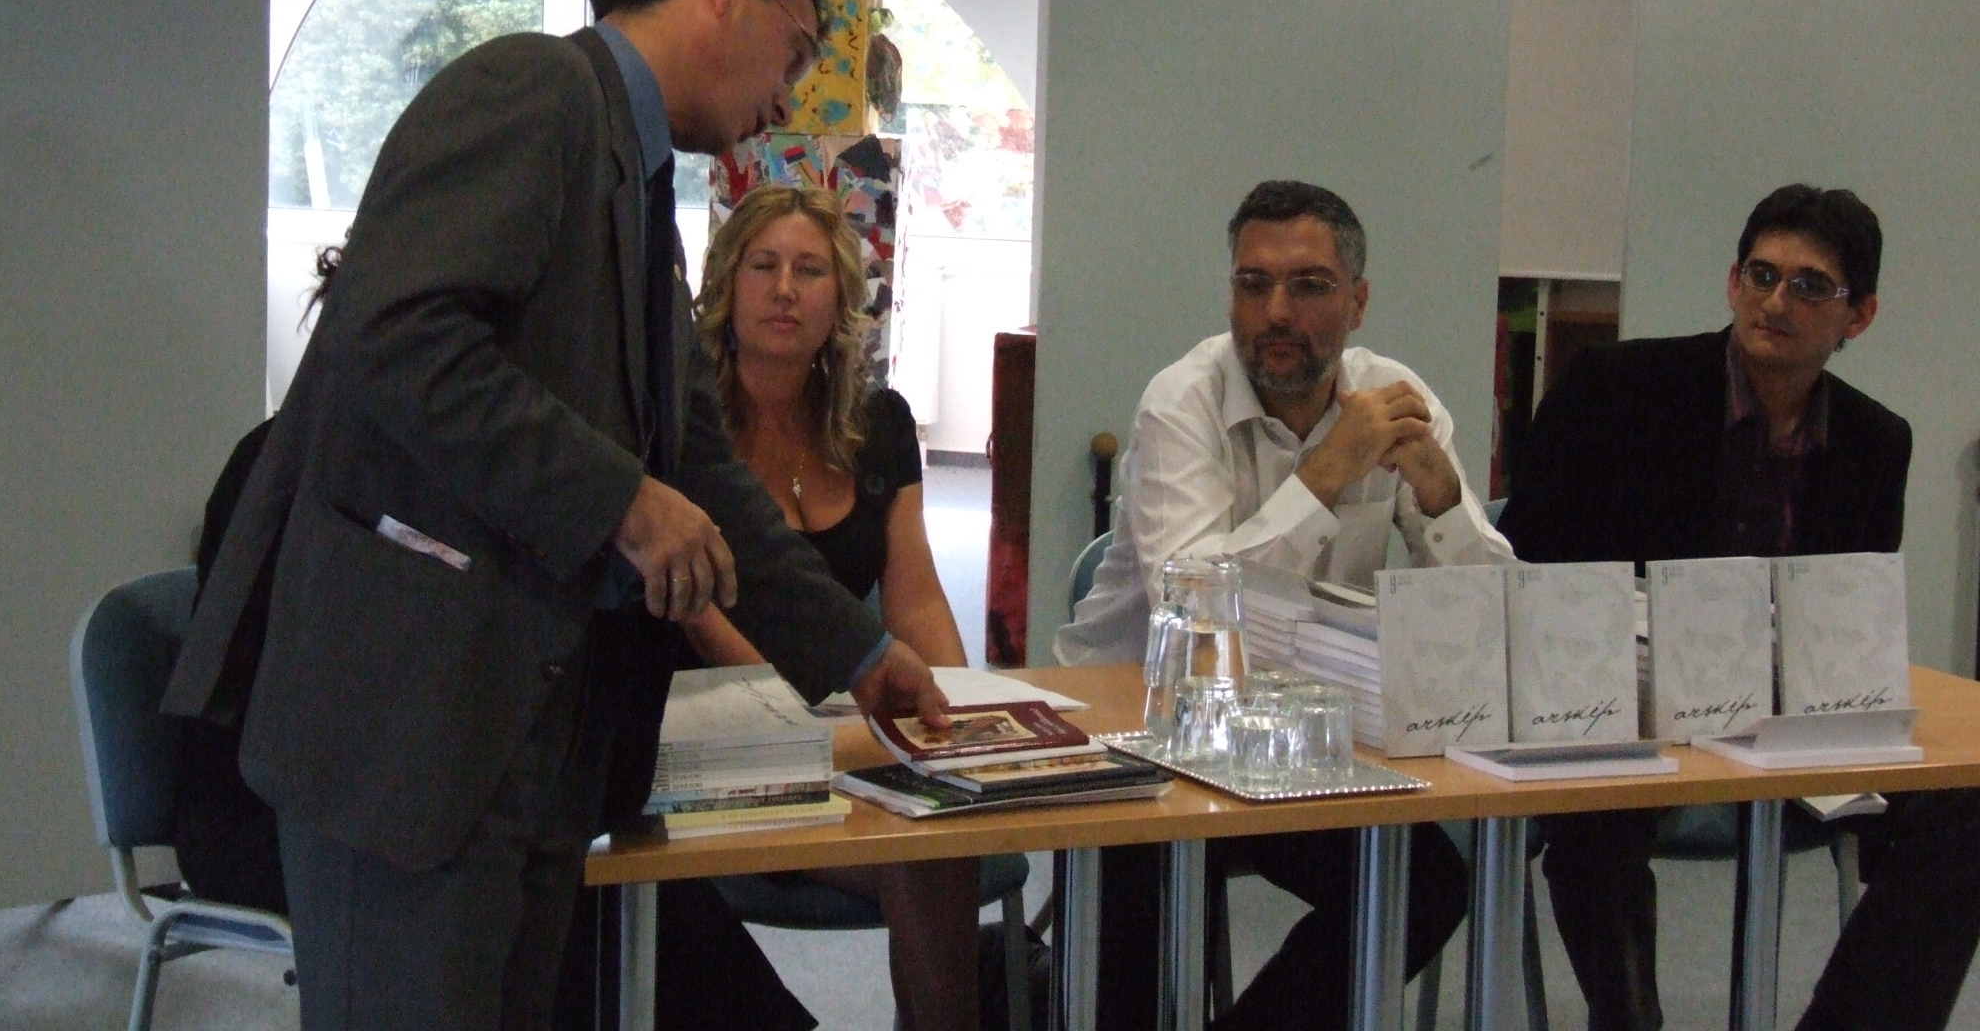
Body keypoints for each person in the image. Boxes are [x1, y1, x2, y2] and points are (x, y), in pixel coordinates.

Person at [162, 0, 947, 1031]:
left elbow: (699, 471)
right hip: (415, 732)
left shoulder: (633, 180)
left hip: (537, 744)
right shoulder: (530, 90)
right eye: (790, 50)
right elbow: (399, 333)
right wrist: (621, 501)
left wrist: (860, 653)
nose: (786, 96)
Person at [1502, 183, 1980, 1031]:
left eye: (1809, 286)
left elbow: (1850, 615)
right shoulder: (1616, 388)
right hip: (1625, 706)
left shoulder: (1876, 440)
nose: (1776, 302)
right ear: (1732, 283)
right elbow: (1526, 565)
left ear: (1860, 315)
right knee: (1595, 825)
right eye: (1761, 275)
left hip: (1789, 717)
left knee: (1966, 808)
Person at [1055, 180, 1511, 1031]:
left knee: (1422, 885)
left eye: (1308, 286)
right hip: (1139, 729)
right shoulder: (1181, 401)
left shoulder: (1395, 396)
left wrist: (1443, 498)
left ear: (1358, 303)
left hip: (1294, 739)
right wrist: (1328, 471)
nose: (1275, 311)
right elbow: (1196, 615)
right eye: (1252, 283)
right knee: (1144, 896)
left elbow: (1494, 613)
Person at [682, 182, 982, 1031]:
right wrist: (820, 731)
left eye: (810, 271)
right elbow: (696, 616)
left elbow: (915, 597)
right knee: (920, 845)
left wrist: (961, 715)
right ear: (726, 285)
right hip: (708, 735)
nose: (785, 289)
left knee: (942, 831)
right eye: (764, 266)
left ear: (841, 300)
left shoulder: (878, 422)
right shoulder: (684, 424)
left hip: (851, 723)